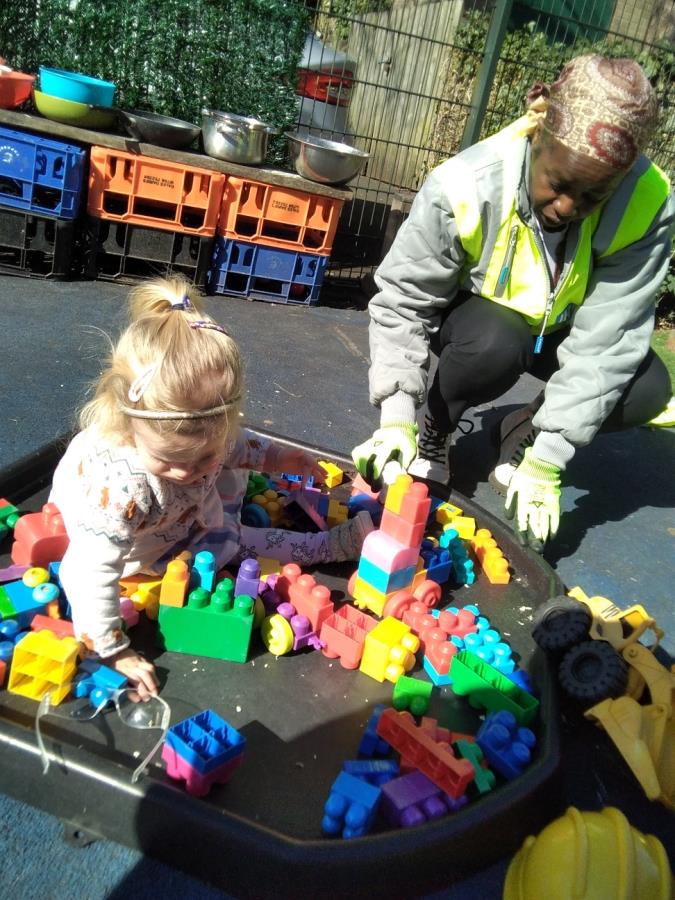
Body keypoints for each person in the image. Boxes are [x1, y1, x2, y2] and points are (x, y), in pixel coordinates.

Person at [352, 54, 674, 550]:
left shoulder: (645, 203)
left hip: (562, 326)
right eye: (559, 185)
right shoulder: (467, 183)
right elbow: (404, 301)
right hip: (481, 322)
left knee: (647, 388)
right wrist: (397, 415)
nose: (568, 208)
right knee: (496, 341)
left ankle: (521, 429)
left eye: (594, 198)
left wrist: (549, 455)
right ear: (537, 130)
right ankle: (435, 432)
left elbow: (610, 338)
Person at [50, 277, 373, 700]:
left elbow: (235, 444)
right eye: (169, 460)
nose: (186, 471)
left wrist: (280, 458)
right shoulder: (123, 486)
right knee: (236, 543)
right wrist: (112, 652)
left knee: (228, 467)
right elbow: (88, 572)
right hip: (137, 549)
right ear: (129, 425)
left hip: (178, 517)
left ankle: (282, 533)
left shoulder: (205, 439)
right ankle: (323, 548)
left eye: (203, 456)